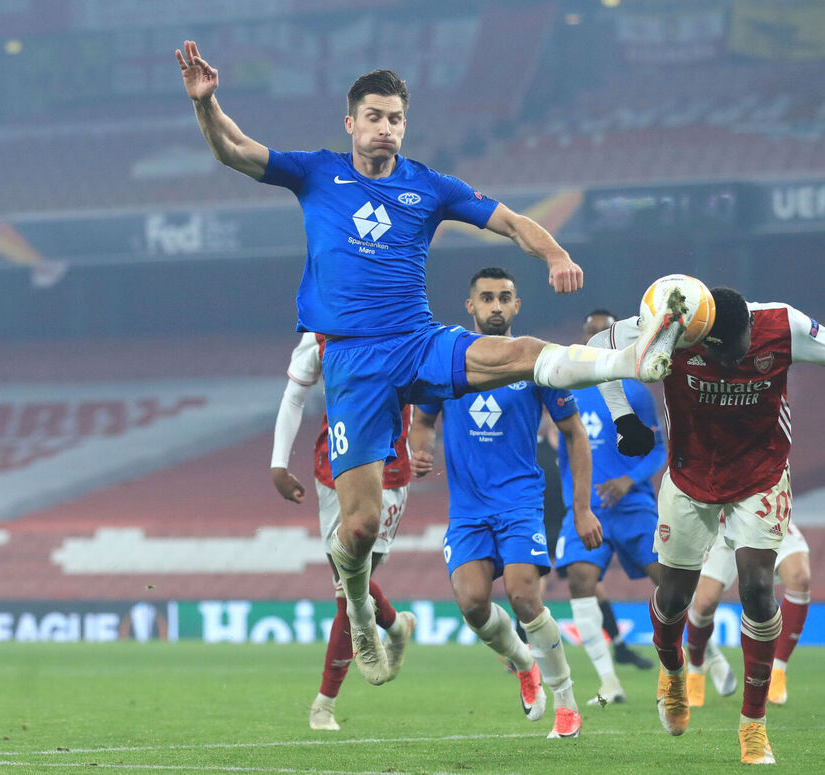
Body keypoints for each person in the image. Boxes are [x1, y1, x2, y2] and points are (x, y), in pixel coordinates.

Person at [177, 42, 687, 685]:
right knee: (359, 529)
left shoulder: (429, 186)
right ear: (351, 122)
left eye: (395, 118)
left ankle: (635, 360)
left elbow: (511, 222)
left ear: (404, 125)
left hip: (417, 342)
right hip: (353, 363)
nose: (385, 127)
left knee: (525, 354)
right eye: (373, 116)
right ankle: (360, 611)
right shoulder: (316, 173)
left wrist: (555, 253)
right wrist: (206, 104)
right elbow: (235, 150)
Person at [596, 286, 825, 764]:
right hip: (689, 476)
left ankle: (753, 724)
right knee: (674, 596)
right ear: (701, 337)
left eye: (738, 348)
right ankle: (673, 672)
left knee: (759, 588)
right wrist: (624, 419)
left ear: (749, 327)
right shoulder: (673, 326)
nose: (731, 360)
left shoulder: (782, 323)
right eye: (720, 352)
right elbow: (600, 344)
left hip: (761, 475)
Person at [409, 267, 601, 739]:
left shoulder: (536, 361)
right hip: (468, 509)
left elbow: (575, 434)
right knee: (473, 604)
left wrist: (581, 508)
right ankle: (523, 663)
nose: (496, 306)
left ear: (517, 306)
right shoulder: (445, 361)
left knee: (523, 596)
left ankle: (566, 702)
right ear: (470, 306)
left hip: (520, 501)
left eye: (504, 298)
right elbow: (422, 421)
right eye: (487, 298)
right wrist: (420, 448)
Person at [270, 332, 417, 730]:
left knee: (349, 589)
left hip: (388, 472)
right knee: (350, 585)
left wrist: (421, 442)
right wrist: (278, 464)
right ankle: (395, 627)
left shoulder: (401, 320)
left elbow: (428, 384)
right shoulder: (320, 330)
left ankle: (324, 703)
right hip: (333, 468)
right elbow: (295, 394)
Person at [556, 308, 669, 705]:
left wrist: (628, 480)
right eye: (591, 333)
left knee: (669, 582)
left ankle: (692, 664)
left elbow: (659, 451)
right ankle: (609, 682)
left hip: (633, 504)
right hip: (588, 506)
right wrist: (573, 495)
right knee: (580, 579)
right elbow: (562, 442)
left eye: (605, 333)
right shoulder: (569, 388)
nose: (597, 340)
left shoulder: (636, 391)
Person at [685, 518, 810, 708]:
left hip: (764, 515)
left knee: (799, 577)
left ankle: (777, 669)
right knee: (704, 603)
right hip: (723, 520)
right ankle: (696, 668)